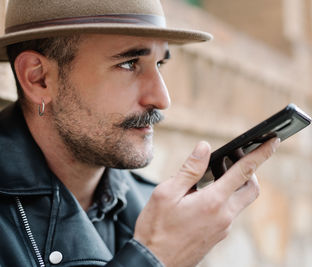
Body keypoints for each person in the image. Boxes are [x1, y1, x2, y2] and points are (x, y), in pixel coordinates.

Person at [0, 0, 281, 266]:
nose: (162, 98)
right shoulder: (164, 236)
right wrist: (156, 257)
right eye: (129, 63)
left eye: (159, 64)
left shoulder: (154, 207)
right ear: (38, 78)